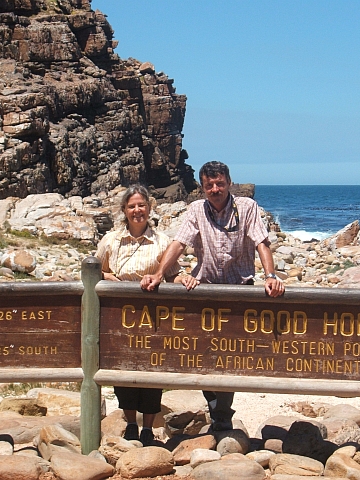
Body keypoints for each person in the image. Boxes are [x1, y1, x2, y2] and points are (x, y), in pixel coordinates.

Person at [140, 161, 285, 431]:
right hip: (204, 290)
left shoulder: (247, 208)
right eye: (209, 185)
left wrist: (271, 276)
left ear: (229, 182)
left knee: (231, 355)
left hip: (237, 291)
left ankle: (222, 415)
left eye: (219, 183)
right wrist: (160, 274)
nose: (215, 189)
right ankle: (214, 405)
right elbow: (179, 242)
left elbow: (261, 242)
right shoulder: (196, 209)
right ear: (202, 188)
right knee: (204, 353)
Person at [96, 184, 181, 446]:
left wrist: (185, 279)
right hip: (119, 317)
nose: (137, 211)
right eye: (132, 206)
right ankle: (131, 423)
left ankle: (147, 427)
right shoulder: (110, 241)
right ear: (124, 210)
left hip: (154, 318)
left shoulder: (163, 242)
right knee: (123, 370)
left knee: (152, 369)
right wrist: (108, 277)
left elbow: (173, 274)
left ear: (149, 208)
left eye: (141, 205)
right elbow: (93, 270)